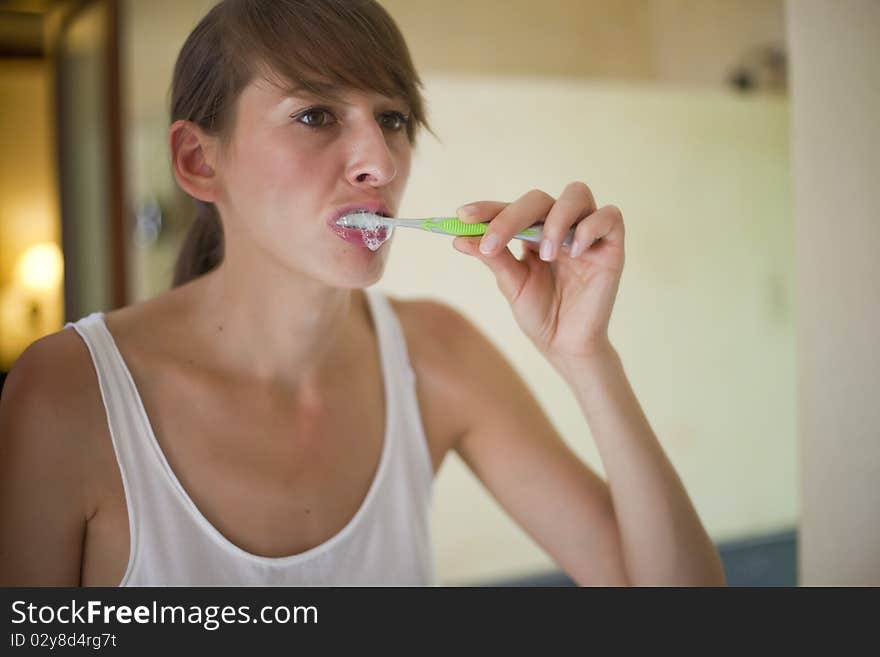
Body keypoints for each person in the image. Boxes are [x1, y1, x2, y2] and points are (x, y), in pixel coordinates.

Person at [0, 0, 725, 586]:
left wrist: (586, 353)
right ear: (198, 161)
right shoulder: (67, 396)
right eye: (316, 115)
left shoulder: (438, 356)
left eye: (394, 119)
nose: (380, 161)